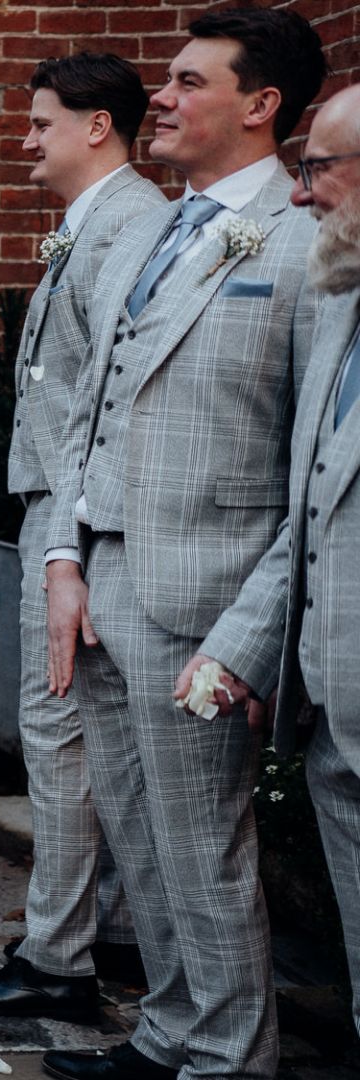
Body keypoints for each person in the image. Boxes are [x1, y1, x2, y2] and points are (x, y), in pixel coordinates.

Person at [37, 10, 326, 1080]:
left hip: (209, 599)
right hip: (102, 582)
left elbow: (318, 472)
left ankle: (229, 1060)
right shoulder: (149, 229)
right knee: (138, 834)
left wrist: (249, 638)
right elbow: (85, 409)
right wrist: (63, 562)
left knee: (204, 845)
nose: (160, 96)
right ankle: (169, 1034)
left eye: (189, 81)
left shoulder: (307, 244)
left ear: (261, 106)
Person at [0, 53, 162, 1023]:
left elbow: (107, 403)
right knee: (74, 737)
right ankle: (98, 931)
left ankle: (59, 958)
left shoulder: (128, 225)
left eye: (40, 123)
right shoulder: (92, 222)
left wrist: (65, 542)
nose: (26, 139)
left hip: (77, 520)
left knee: (59, 733)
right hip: (56, 510)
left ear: (95, 126)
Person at [229, 79, 360, 1048]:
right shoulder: (341, 307)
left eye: (318, 169)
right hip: (335, 719)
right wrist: (249, 649)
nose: (301, 192)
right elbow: (309, 505)